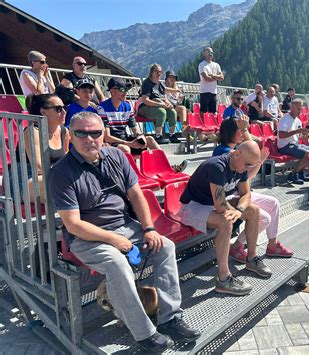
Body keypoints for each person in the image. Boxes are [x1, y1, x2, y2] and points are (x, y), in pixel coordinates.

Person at [49, 112, 200, 352]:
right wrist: (116, 240)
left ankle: (169, 318)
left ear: (103, 135)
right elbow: (73, 224)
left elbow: (135, 195)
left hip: (125, 227)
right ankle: (145, 334)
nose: (89, 139)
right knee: (117, 263)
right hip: (86, 238)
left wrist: (149, 228)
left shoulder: (116, 156)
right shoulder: (61, 172)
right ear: (71, 135)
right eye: (81, 133)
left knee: (166, 247)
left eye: (95, 133)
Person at [178, 140, 273, 296]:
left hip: (212, 204)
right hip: (191, 207)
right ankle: (223, 279)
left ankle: (251, 259)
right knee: (226, 221)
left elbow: (246, 194)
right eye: (247, 164)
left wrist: (240, 209)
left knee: (253, 211)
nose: (247, 169)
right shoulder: (217, 166)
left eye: (251, 165)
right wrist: (235, 212)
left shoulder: (241, 165)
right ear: (236, 153)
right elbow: (221, 206)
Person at [212, 118, 294, 261]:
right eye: (240, 130)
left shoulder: (234, 149)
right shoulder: (225, 151)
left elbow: (249, 174)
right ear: (231, 132)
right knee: (264, 218)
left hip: (236, 192)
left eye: (243, 131)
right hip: (225, 197)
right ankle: (237, 245)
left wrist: (258, 160)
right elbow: (252, 156)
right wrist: (259, 159)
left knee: (274, 203)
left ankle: (272, 244)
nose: (243, 134)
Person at [12, 93, 69, 203]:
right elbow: (39, 168)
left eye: (64, 108)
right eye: (58, 109)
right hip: (26, 178)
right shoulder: (32, 132)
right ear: (43, 111)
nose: (64, 112)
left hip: (51, 176)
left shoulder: (64, 132)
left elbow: (67, 158)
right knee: (64, 183)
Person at [277, 99, 309, 185]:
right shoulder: (285, 119)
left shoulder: (297, 120)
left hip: (294, 144)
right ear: (291, 107)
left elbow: (300, 137)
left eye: (300, 109)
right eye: (298, 108)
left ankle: (300, 172)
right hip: (285, 146)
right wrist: (297, 131)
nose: (300, 111)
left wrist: (304, 134)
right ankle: (293, 174)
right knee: (308, 154)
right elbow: (281, 135)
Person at [138, 64, 179, 144]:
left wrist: (168, 104)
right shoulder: (146, 83)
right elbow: (145, 100)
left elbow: (164, 97)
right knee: (161, 111)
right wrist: (160, 105)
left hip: (156, 106)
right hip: (144, 108)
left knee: (172, 111)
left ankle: (171, 135)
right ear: (152, 72)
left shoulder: (159, 84)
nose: (159, 74)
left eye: (160, 72)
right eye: (157, 72)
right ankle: (158, 136)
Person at [198, 47, 224, 114]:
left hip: (213, 92)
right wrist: (216, 77)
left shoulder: (216, 65)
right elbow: (206, 78)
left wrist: (212, 75)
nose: (210, 55)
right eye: (209, 53)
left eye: (212, 53)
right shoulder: (202, 65)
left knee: (213, 112)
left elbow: (222, 77)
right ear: (204, 54)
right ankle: (203, 123)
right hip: (204, 91)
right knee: (203, 112)